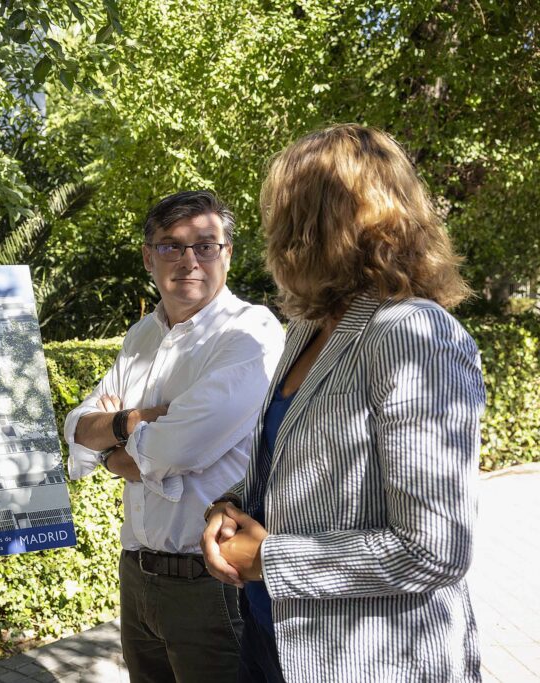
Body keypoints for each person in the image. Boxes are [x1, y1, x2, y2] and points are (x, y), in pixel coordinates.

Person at [201, 124, 487, 682]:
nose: (272, 229)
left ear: (311, 224)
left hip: (370, 660)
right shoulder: (308, 328)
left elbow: (435, 549)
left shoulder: (411, 332)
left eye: (282, 211)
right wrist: (229, 506)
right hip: (274, 639)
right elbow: (287, 461)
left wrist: (268, 559)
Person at [64, 190, 285, 683]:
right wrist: (139, 422)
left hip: (211, 585)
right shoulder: (141, 335)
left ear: (227, 253)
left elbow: (177, 448)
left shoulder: (251, 333)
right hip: (136, 577)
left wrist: (114, 448)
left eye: (205, 245)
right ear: (149, 257)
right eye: (171, 246)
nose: (189, 260)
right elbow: (76, 428)